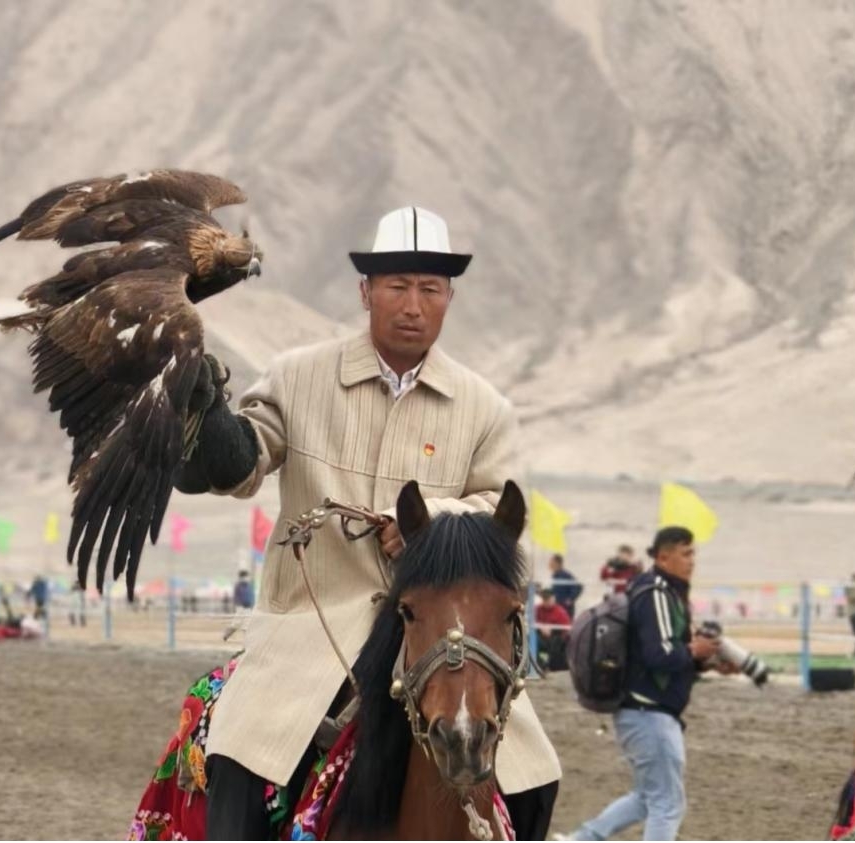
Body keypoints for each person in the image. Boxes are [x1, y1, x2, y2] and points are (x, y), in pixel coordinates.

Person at [174, 206, 561, 839]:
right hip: (310, 632)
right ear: (366, 292)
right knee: (240, 766)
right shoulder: (297, 377)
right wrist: (198, 410)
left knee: (534, 776)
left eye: (430, 289)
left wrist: (429, 520)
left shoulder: (485, 409)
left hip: (437, 641)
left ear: (448, 298)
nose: (413, 304)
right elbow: (241, 464)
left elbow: (499, 510)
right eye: (398, 286)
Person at [559, 527, 735, 842]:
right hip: (648, 712)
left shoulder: (662, 592)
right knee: (667, 804)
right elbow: (660, 655)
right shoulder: (656, 593)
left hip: (640, 712)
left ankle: (578, 840)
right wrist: (694, 651)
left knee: (646, 797)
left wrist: (705, 662)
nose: (692, 560)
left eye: (693, 553)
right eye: (686, 553)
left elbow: (658, 658)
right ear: (664, 557)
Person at [534, 587, 572, 671]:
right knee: (531, 639)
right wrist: (541, 628)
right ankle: (538, 664)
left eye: (549, 599)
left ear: (553, 599)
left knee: (557, 642)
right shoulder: (537, 609)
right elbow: (531, 622)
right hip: (541, 637)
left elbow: (566, 631)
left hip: (556, 639)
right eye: (545, 599)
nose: (547, 602)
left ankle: (552, 665)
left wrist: (553, 631)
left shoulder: (560, 612)